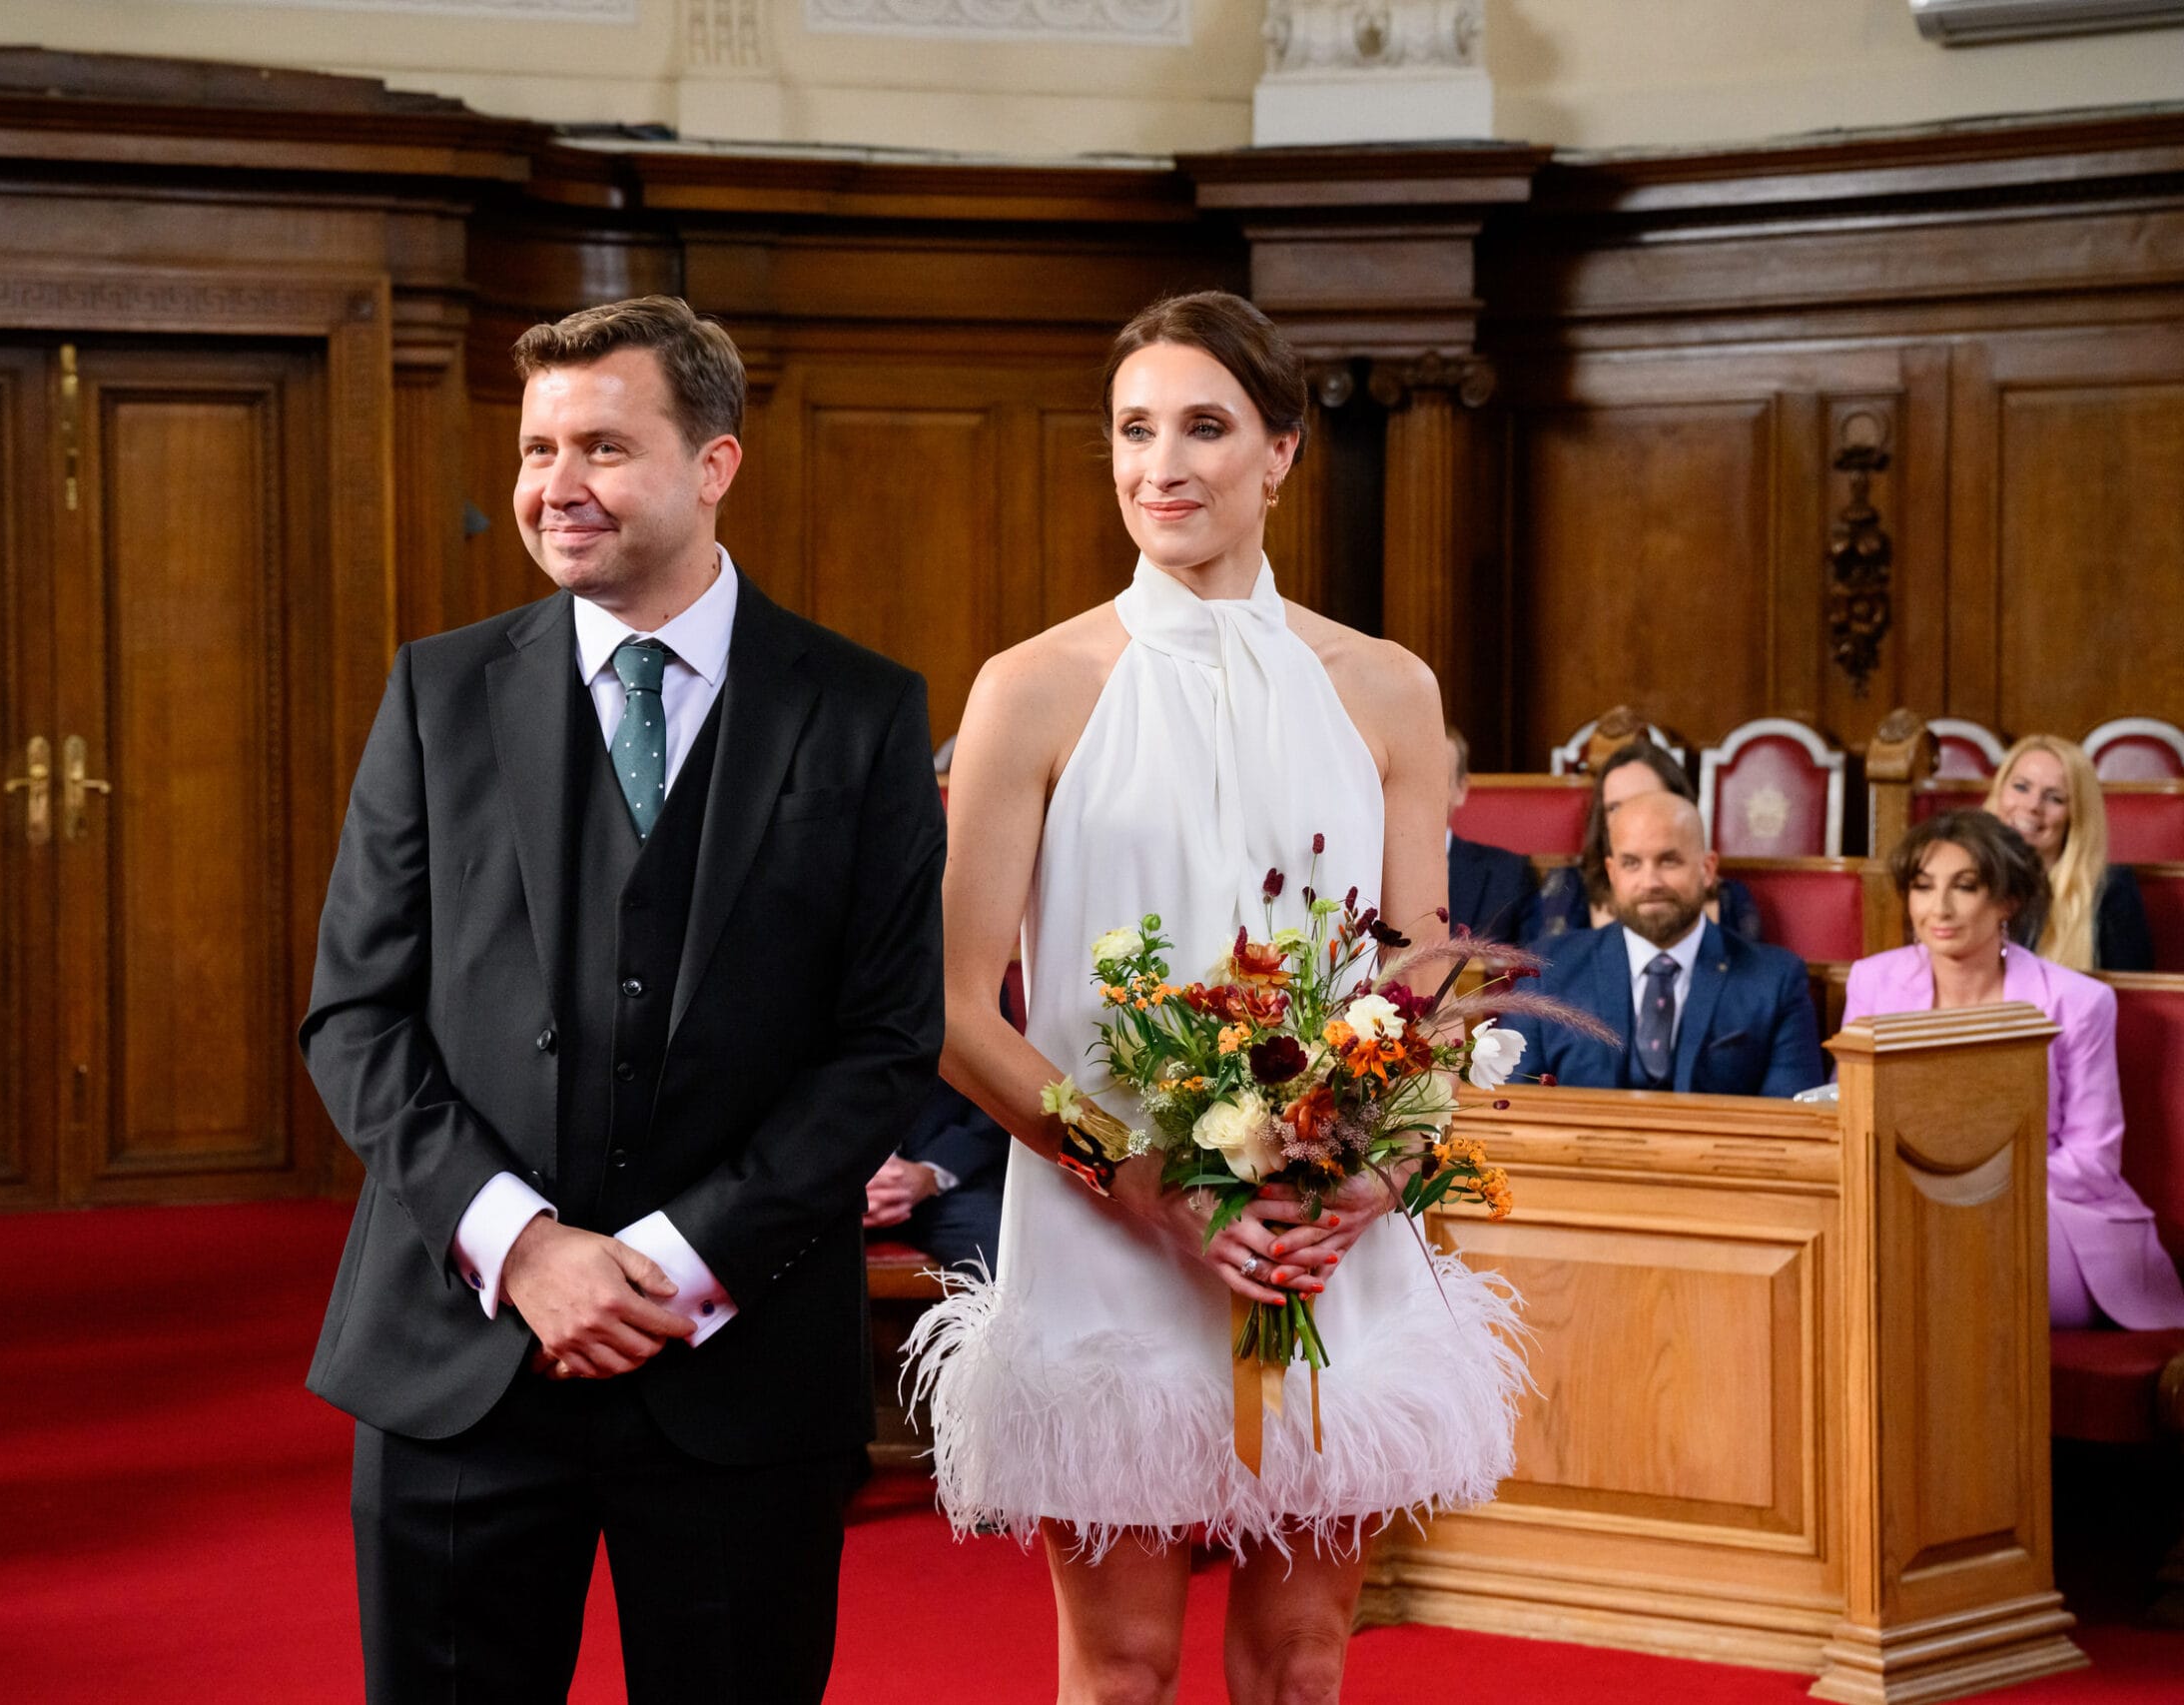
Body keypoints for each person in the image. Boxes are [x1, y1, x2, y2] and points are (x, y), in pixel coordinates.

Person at [300, 295, 946, 1705]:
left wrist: (670, 1264)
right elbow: (355, 1014)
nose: (553, 487)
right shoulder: (438, 693)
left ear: (713, 464)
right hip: (458, 1354)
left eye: (602, 445)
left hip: (739, 1361)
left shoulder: (860, 712)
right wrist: (526, 1249)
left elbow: (884, 1038)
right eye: (537, 450)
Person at [907, 291, 1524, 1704]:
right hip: (1104, 1224)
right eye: (1133, 429)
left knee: (1305, 1663)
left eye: (1202, 426)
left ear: (1282, 453)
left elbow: (1422, 978)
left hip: (1323, 1226)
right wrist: (1145, 1187)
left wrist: (1382, 1166)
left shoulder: (1388, 689)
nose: (1160, 464)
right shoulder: (1032, 688)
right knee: (1121, 1667)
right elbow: (950, 1006)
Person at [1843, 812, 2184, 1329]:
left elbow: (2093, 1161)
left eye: (1965, 887)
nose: (1939, 908)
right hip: (1908, 1214)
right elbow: (1850, 1113)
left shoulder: (2078, 1002)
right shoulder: (1873, 982)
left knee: (1950, 1247)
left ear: (2007, 901)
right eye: (1923, 886)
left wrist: (1963, 1193)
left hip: (2055, 1218)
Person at [1506, 792, 1822, 1096]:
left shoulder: (1776, 980)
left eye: (1669, 861)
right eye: (1631, 863)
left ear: (1707, 869)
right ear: (1612, 873)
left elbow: (1792, 1124)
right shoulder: (1545, 971)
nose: (1651, 882)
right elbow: (1515, 1110)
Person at [1524, 737, 1764, 956]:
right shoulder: (1568, 889)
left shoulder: (1730, 899)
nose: (1632, 816)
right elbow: (1551, 976)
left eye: (1645, 800)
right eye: (1614, 808)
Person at [1984, 733, 2155, 972]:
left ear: (2076, 814)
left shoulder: (2110, 892)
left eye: (2054, 798)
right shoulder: (1964, 875)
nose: (2033, 806)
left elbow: (2130, 998)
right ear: (1999, 793)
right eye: (2021, 787)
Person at [865, 1081, 1009, 1274]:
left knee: (1011, 1260)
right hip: (826, 1189)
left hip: (944, 1182)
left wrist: (928, 1174)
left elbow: (996, 1104)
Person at [1444, 724, 1537, 943]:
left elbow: (1534, 968)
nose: (1419, 794)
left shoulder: (1509, 875)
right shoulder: (1364, 869)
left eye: (1435, 781)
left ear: (1461, 790)